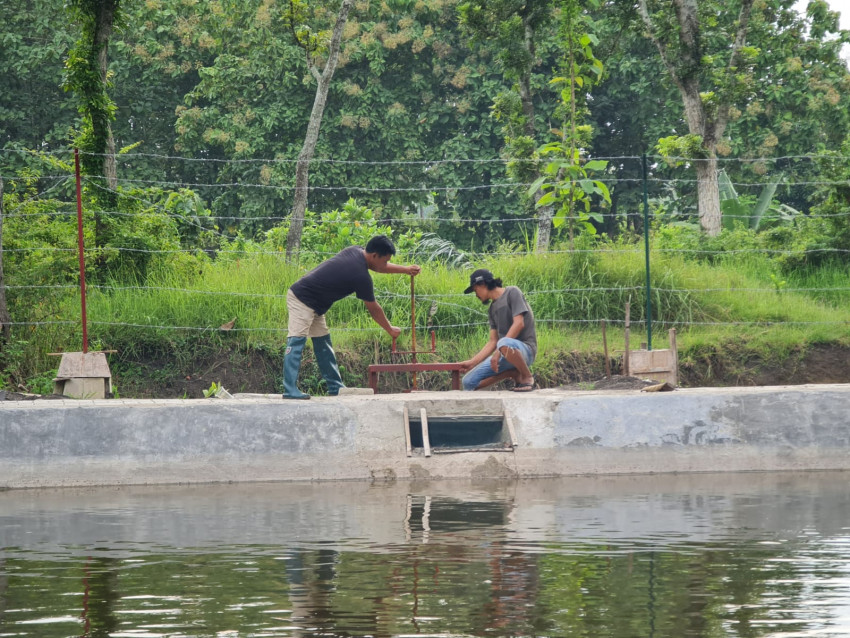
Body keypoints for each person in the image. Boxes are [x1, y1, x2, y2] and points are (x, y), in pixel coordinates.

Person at [283, 235, 421, 399]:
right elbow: (374, 309)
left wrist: (405, 269)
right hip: (301, 298)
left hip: (316, 304)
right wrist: (390, 329)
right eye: (385, 260)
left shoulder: (355, 251)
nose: (385, 264)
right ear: (375, 255)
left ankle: (335, 387)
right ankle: (289, 389)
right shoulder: (360, 275)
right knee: (297, 340)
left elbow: (378, 267)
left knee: (323, 344)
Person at [457, 268, 537, 392]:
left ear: (482, 284)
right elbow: (492, 341)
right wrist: (472, 362)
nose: (476, 295)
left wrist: (498, 351)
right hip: (504, 351)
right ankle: (511, 373)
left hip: (525, 350)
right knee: (468, 382)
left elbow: (519, 323)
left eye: (475, 290)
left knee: (503, 343)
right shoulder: (492, 309)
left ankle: (527, 376)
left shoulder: (512, 292)